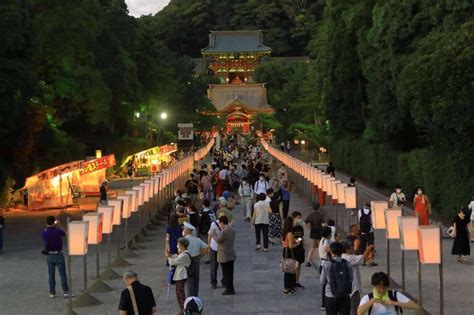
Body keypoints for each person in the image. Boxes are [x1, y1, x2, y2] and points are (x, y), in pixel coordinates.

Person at [341, 241, 375, 315]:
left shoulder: (343, 257)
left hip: (345, 288)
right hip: (353, 289)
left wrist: (369, 257)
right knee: (355, 309)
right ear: (346, 250)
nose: (353, 249)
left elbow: (363, 260)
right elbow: (363, 258)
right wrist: (368, 249)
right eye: (351, 248)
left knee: (346, 309)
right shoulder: (349, 258)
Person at [41, 216, 71, 298]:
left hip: (49, 255)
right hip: (58, 254)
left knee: (51, 275)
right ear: (54, 222)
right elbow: (67, 233)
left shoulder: (44, 233)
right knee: (62, 274)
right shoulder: (58, 231)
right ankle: (65, 292)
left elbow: (45, 232)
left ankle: (52, 292)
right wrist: (59, 224)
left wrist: (49, 226)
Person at [320, 242, 353, 315]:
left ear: (331, 251)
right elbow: (351, 279)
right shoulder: (348, 264)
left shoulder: (327, 264)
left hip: (330, 295)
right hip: (345, 295)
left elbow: (322, 281)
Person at [212, 215, 236, 295]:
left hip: (224, 255)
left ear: (222, 223)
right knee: (230, 272)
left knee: (226, 273)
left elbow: (219, 240)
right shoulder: (232, 229)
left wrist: (213, 235)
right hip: (231, 253)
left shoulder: (224, 231)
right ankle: (231, 288)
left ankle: (228, 289)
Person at [182, 222, 208, 297]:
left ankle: (190, 297)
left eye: (184, 228)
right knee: (196, 279)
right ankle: (195, 295)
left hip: (187, 259)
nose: (183, 229)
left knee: (189, 280)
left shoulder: (183, 240)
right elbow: (206, 247)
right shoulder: (197, 240)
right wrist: (200, 256)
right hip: (196, 259)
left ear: (187, 230)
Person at [168, 238, 192, 315]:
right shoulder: (183, 254)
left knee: (180, 294)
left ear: (182, 246)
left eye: (178, 245)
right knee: (179, 293)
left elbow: (173, 262)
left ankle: (183, 309)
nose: (177, 246)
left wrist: (168, 257)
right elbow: (176, 257)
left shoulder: (185, 255)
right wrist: (171, 256)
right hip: (179, 276)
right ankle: (182, 309)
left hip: (181, 276)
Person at [282, 217, 301, 295]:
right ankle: (286, 288)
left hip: (285, 251)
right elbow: (290, 246)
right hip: (289, 252)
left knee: (289, 270)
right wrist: (297, 243)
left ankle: (289, 287)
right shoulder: (289, 233)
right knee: (289, 271)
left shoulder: (284, 232)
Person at [208, 211, 224, 289]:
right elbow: (210, 235)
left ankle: (224, 281)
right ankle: (213, 282)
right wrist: (208, 245)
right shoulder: (213, 224)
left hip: (223, 249)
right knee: (213, 267)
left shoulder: (227, 225)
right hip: (214, 247)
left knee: (224, 266)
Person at [319, 226, 333, 309]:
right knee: (326, 285)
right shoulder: (326, 241)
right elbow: (326, 248)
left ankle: (324, 303)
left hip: (322, 264)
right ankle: (324, 303)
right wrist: (333, 250)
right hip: (325, 264)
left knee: (325, 284)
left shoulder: (322, 240)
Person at [291, 211, 305, 289]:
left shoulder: (300, 227)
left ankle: (297, 281)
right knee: (293, 266)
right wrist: (297, 241)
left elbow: (302, 237)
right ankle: (292, 282)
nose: (300, 219)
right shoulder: (291, 228)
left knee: (299, 266)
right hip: (293, 248)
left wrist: (302, 246)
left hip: (300, 248)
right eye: (298, 218)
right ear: (294, 218)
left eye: (300, 218)